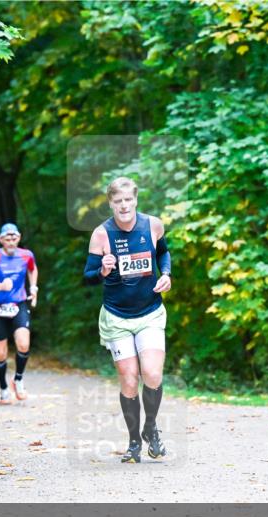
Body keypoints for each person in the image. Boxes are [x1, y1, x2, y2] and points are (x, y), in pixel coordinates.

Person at [83, 177, 171, 463]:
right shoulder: (101, 234)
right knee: (130, 379)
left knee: (153, 374)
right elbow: (87, 277)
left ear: (135, 200)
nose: (124, 205)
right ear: (111, 203)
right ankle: (134, 442)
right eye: (118, 201)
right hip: (117, 317)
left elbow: (163, 252)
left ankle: (150, 428)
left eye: (128, 200)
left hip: (150, 312)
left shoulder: (153, 225)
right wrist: (102, 270)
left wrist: (166, 274)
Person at [0, 222, 38, 405]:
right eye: (7, 239)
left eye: (14, 238)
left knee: (23, 344)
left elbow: (32, 269)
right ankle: (4, 389)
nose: (11, 242)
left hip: (19, 303)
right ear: (1, 240)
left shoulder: (26, 255)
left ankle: (18, 379)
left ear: (19, 238)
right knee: (0, 354)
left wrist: (33, 288)